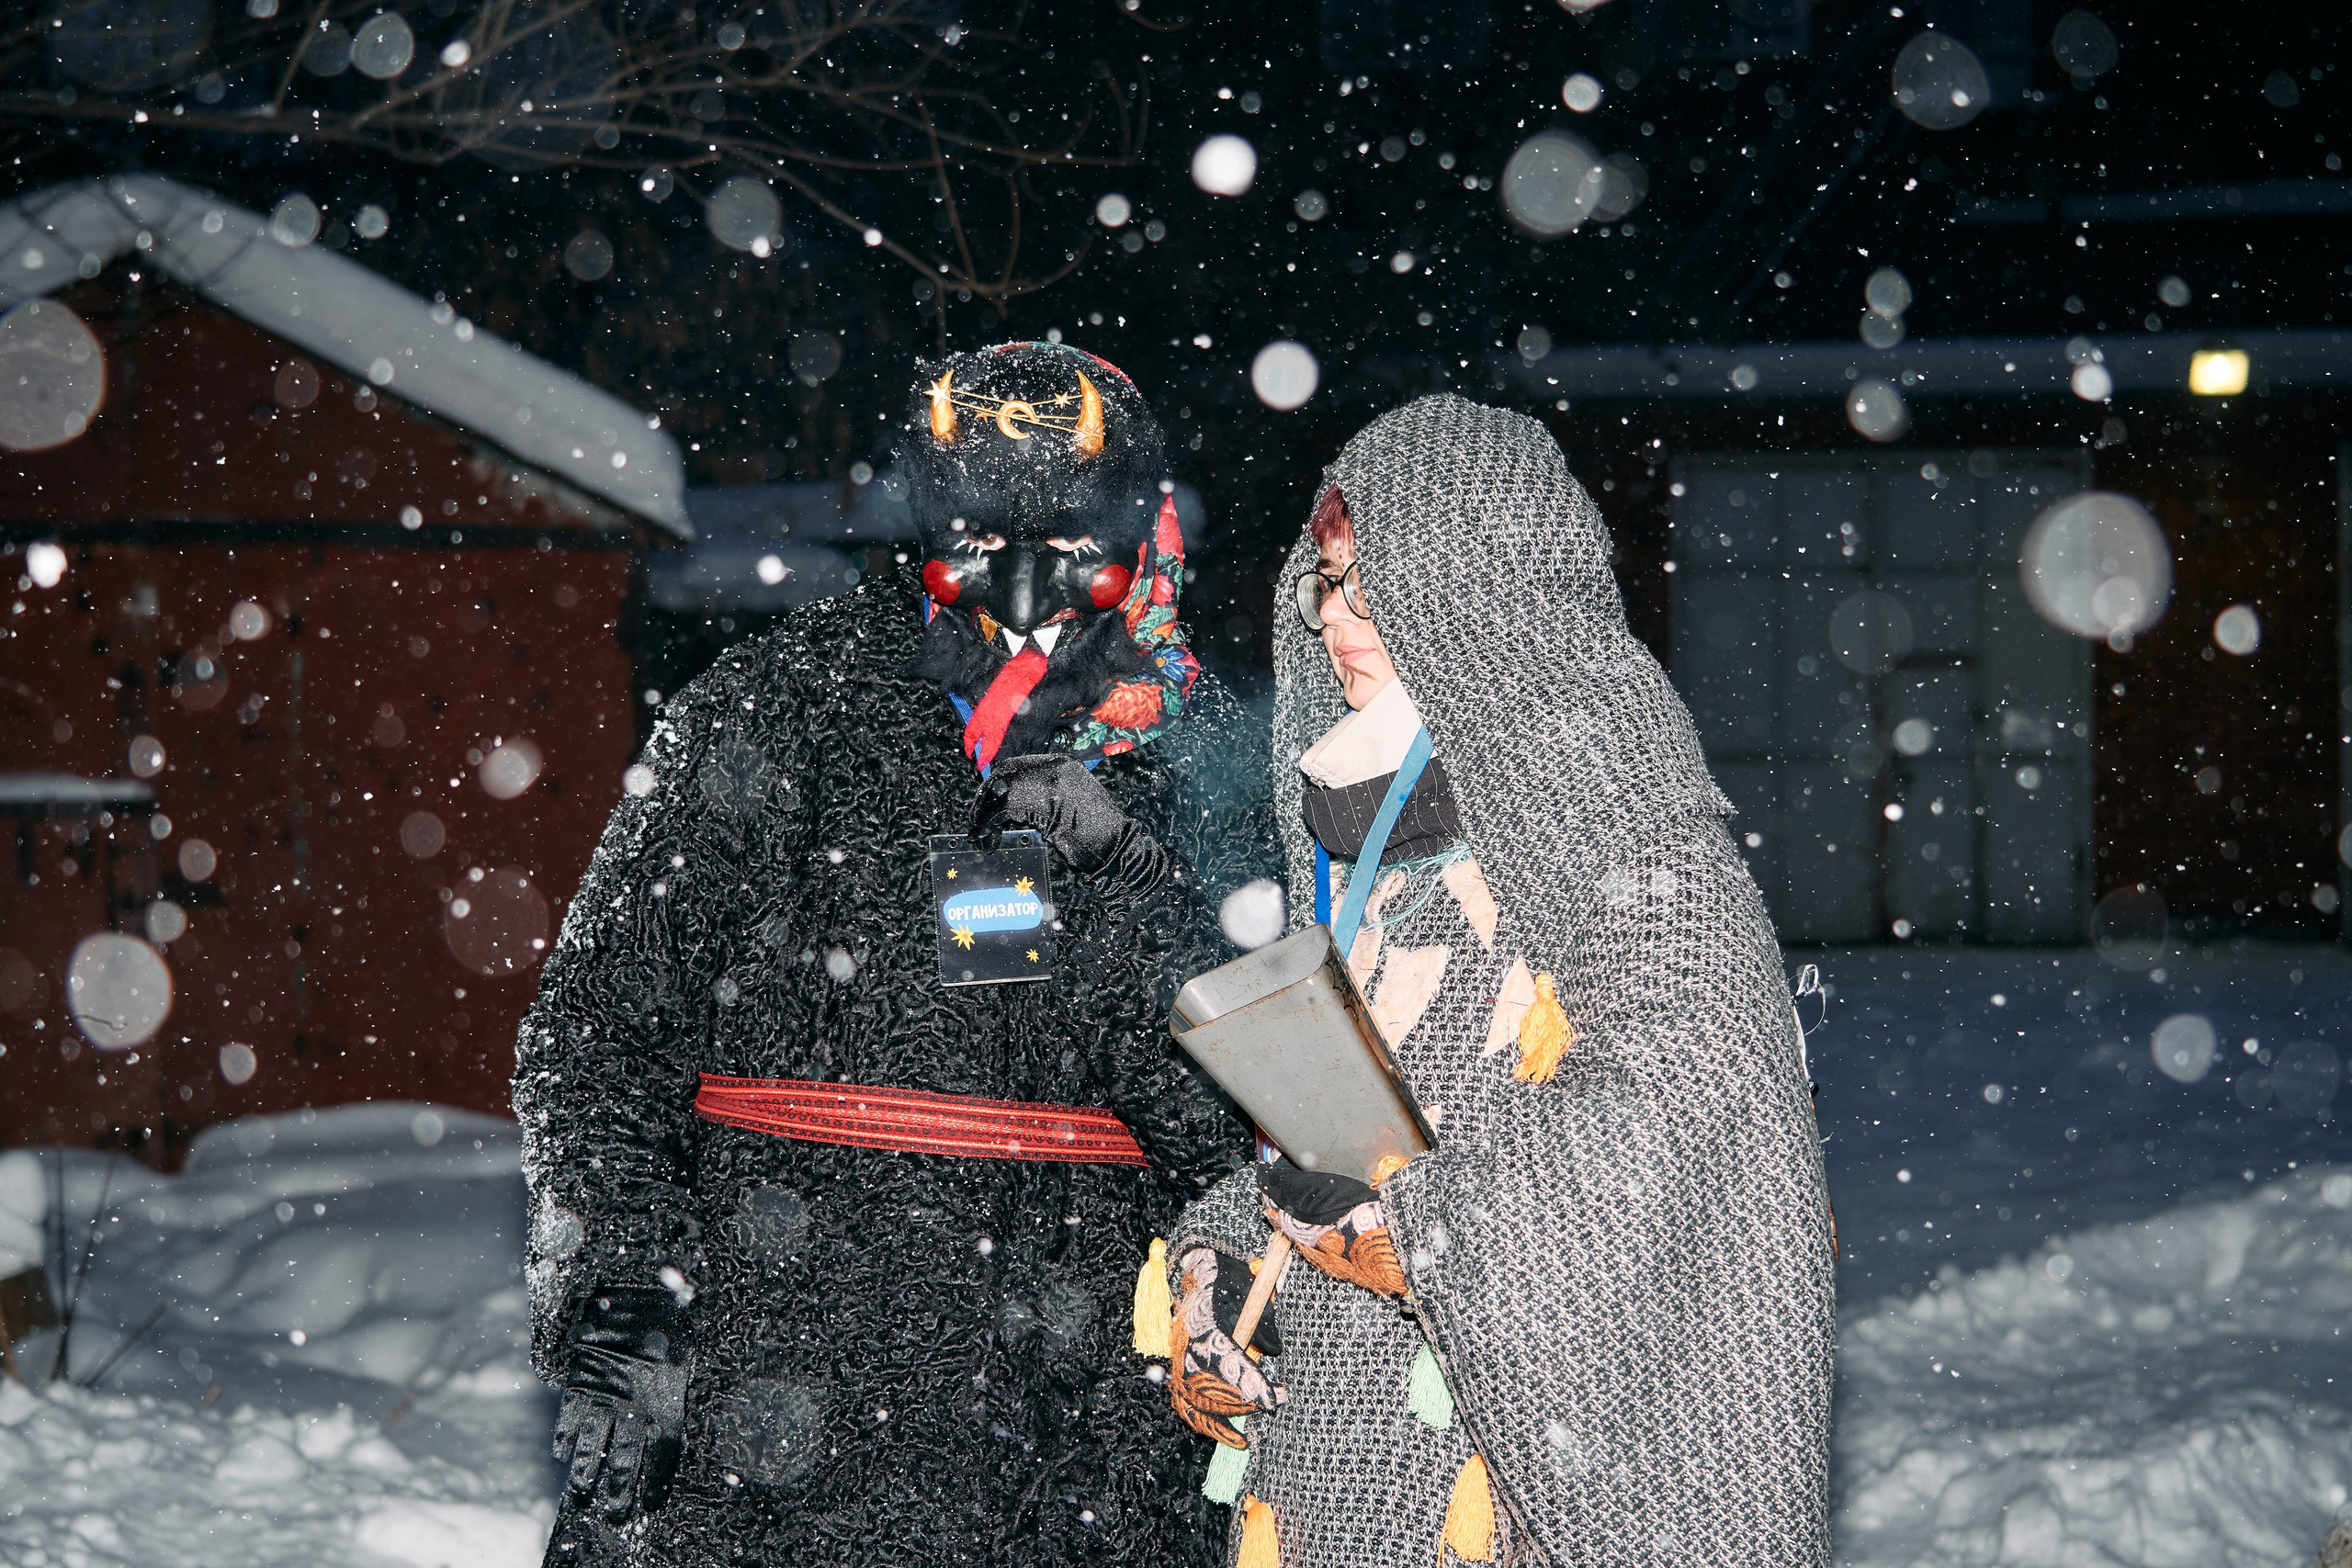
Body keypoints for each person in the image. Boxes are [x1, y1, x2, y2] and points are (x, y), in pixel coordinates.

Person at [514, 342, 1272, 1568]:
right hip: (770, 1398)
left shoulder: (1201, 760)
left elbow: (1249, 1123)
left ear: (1142, 536)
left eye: (1073, 550)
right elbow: (601, 1035)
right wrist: (628, 1290)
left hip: (1080, 1433)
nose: (1023, 590)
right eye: (978, 542)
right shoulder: (770, 707)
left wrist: (1131, 882)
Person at [1157, 395, 1835, 1567]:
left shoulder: (1616, 818)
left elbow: (1702, 1107)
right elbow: (1347, 1131)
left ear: (1479, 594)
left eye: (1375, 584)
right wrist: (1222, 1257)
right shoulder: (1378, 853)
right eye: (1326, 583)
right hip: (1345, 1480)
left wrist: (1423, 1226)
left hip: (1517, 1500)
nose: (1335, 620)